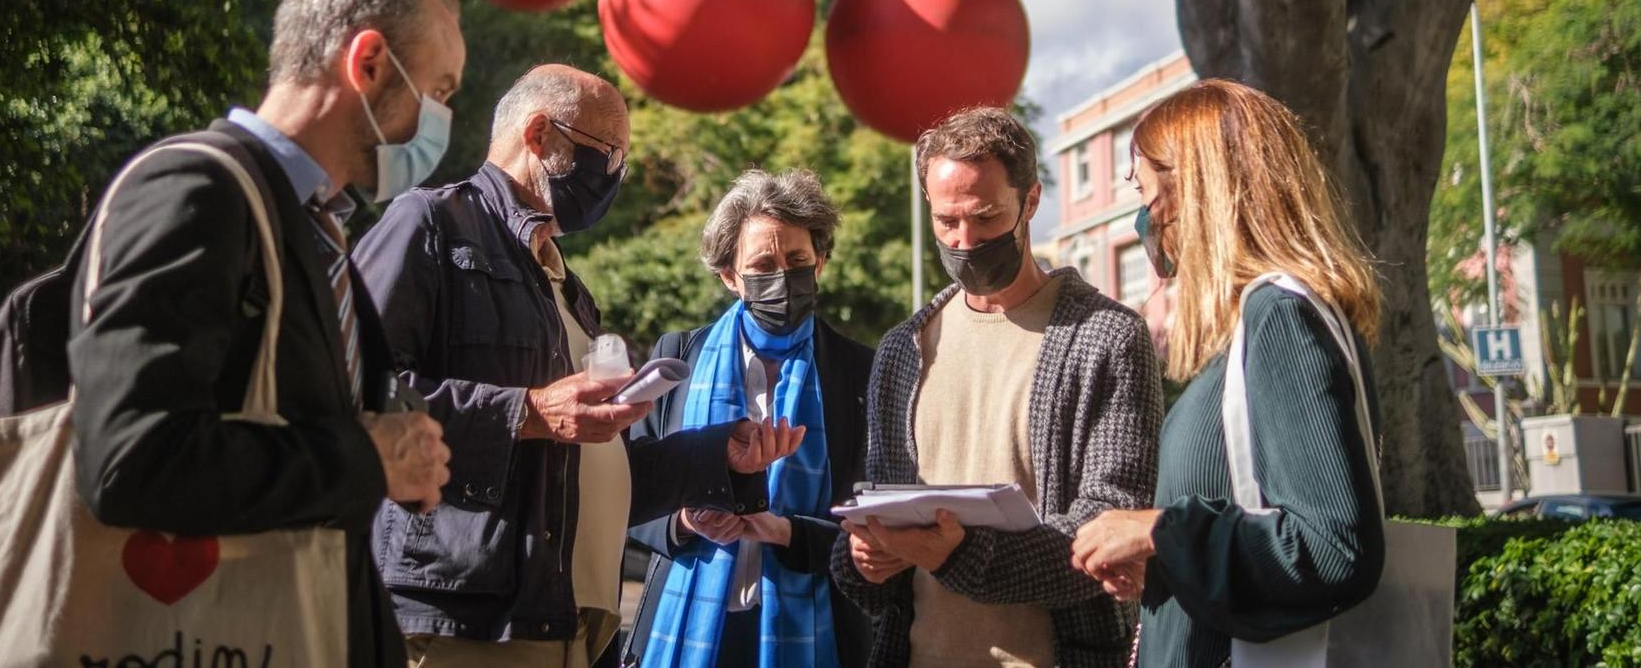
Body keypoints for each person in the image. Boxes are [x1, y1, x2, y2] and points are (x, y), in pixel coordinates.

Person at [69, 0, 460, 668]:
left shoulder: (320, 224)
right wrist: (365, 455)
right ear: (369, 61)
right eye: (440, 88)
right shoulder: (196, 188)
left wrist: (397, 458)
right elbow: (131, 459)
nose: (445, 119)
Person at [355, 64, 806, 668]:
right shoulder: (430, 225)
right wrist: (530, 411)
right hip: (467, 619)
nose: (615, 177)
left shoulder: (568, 287)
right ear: (539, 135)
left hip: (571, 624)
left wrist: (716, 455)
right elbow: (357, 391)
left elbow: (589, 467)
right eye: (606, 155)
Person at [1068, 79, 1387, 668]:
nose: (1144, 217)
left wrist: (1160, 531)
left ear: (1197, 190)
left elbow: (1334, 548)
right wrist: (1173, 562)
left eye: (1145, 191)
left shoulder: (1281, 317)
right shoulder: (1254, 328)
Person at [831, 106, 1163, 668]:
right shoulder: (901, 351)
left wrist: (959, 554)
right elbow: (882, 512)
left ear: (1030, 202)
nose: (964, 240)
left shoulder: (1106, 338)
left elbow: (1111, 525)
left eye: (985, 219)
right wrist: (863, 557)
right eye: (946, 222)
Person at [624, 169, 877, 668]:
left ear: (820, 262)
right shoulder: (678, 357)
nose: (782, 275)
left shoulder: (858, 371)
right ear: (729, 276)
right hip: (692, 623)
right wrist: (684, 522)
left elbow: (875, 519)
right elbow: (628, 493)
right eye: (763, 263)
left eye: (798, 260)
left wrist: (784, 531)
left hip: (813, 628)